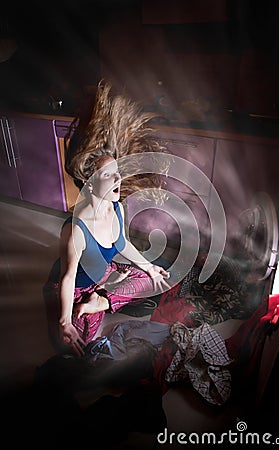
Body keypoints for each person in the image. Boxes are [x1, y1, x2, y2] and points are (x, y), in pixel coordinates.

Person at [43, 82, 171, 356]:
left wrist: (148, 267)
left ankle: (100, 299)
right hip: (73, 288)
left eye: (118, 171)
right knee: (81, 344)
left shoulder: (117, 209)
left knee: (152, 277)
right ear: (89, 182)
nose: (118, 178)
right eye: (109, 174)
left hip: (99, 276)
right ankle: (97, 299)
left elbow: (122, 243)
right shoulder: (75, 228)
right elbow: (67, 278)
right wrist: (65, 321)